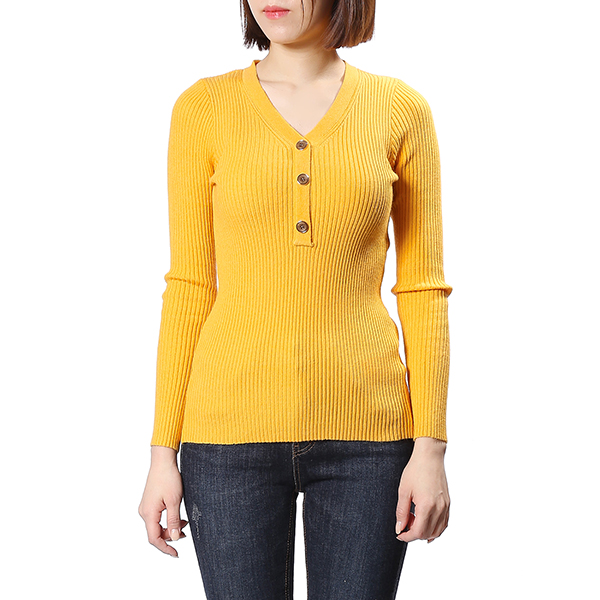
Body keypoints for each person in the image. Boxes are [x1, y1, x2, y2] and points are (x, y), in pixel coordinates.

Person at [139, 1, 453, 598]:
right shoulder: (202, 108)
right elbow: (189, 286)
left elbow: (422, 288)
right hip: (226, 439)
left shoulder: (400, 109)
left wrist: (431, 446)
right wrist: (161, 453)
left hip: (371, 439)